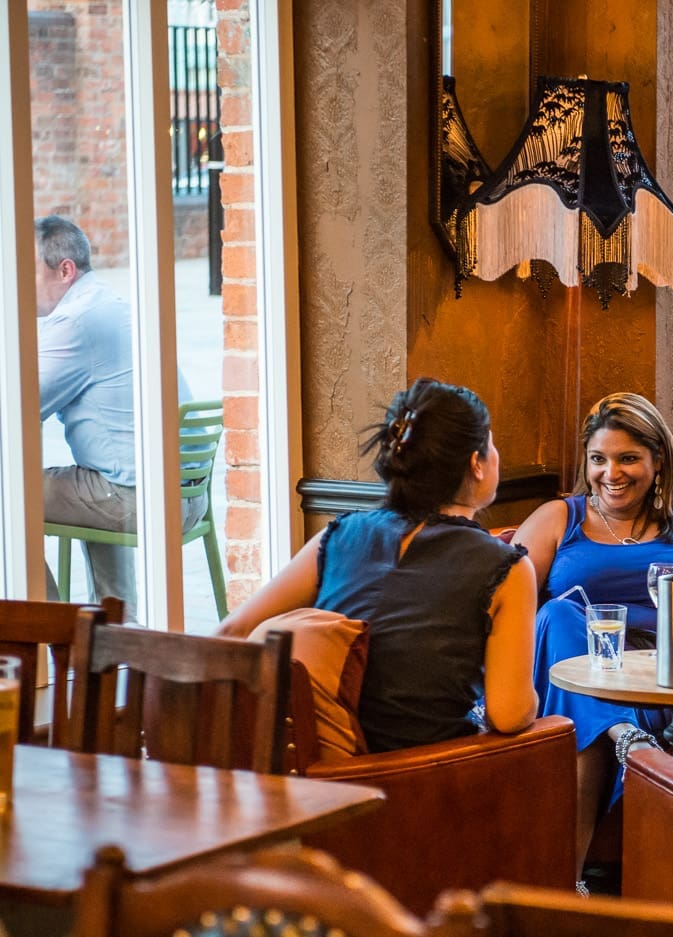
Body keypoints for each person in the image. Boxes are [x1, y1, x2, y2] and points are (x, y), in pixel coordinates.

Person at [217, 377, 538, 751]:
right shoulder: (507, 568)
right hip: (423, 778)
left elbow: (233, 632)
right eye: (492, 443)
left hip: (313, 779)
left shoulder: (338, 535)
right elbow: (510, 713)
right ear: (476, 464)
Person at [514, 392, 673, 884]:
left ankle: (565, 885)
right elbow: (503, 597)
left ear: (658, 461)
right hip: (573, 668)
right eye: (599, 459)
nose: (610, 473)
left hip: (660, 677)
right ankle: (624, 736)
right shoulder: (561, 517)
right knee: (559, 613)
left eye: (628, 459)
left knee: (583, 724)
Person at [34, 215, 205, 610]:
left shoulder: (76, 322)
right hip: (185, 494)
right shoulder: (109, 303)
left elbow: (21, 406)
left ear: (65, 270)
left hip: (140, 498)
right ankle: (115, 629)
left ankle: (52, 636)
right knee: (91, 474)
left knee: (10, 497)